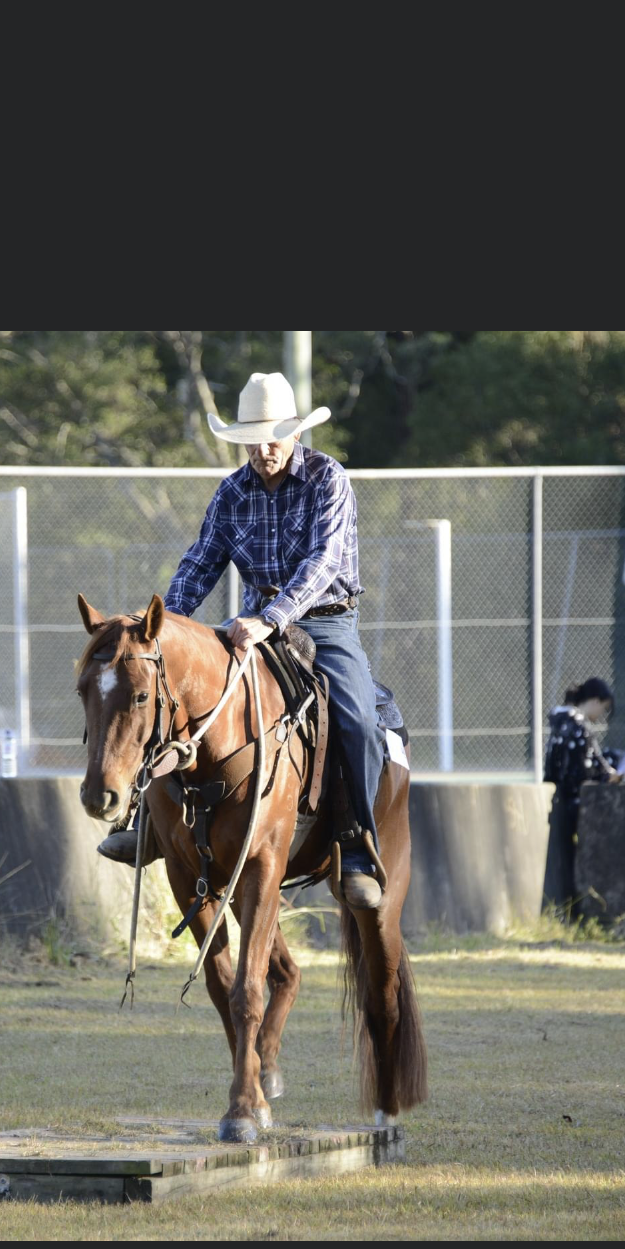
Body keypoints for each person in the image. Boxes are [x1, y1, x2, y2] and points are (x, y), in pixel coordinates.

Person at [98, 370, 386, 911]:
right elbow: (201, 561)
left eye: (272, 438)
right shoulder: (232, 491)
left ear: (296, 433)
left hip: (324, 622)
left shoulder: (328, 478)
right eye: (252, 440)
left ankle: (357, 848)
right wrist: (161, 625)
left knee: (359, 719)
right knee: (170, 695)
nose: (262, 449)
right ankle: (147, 824)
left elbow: (324, 562)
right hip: (251, 623)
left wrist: (272, 618)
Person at [541, 675, 625, 918]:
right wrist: (613, 776)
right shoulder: (577, 726)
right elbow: (588, 768)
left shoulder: (560, 722)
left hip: (558, 803)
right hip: (574, 806)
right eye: (604, 708)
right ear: (595, 700)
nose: (601, 714)